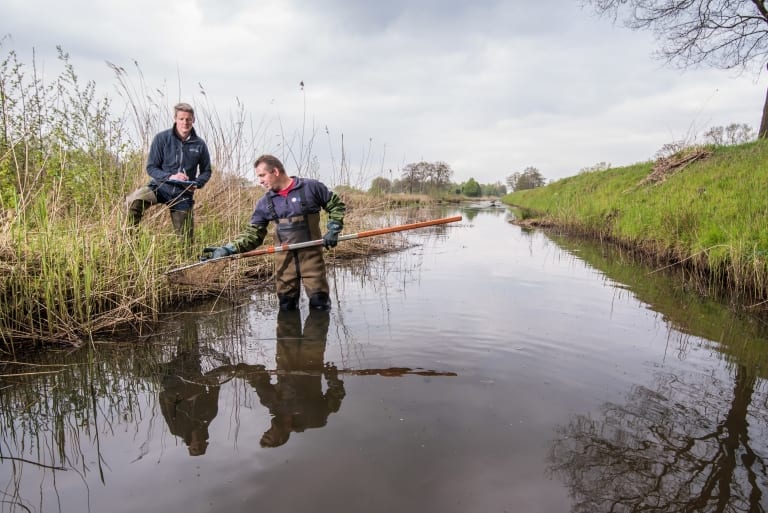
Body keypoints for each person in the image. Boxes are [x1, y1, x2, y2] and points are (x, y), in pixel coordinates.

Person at [201, 154, 346, 311]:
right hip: (284, 264)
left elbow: (336, 206)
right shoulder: (264, 203)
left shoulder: (311, 187)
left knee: (320, 307)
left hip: (312, 261)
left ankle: (317, 333)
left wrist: (334, 229)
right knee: (286, 308)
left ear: (275, 171)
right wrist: (228, 249)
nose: (260, 181)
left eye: (262, 175)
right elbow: (252, 235)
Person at [247, 308, 345, 448]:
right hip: (312, 357)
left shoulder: (271, 403)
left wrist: (249, 374)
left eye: (265, 432)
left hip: (286, 353)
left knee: (287, 310)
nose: (268, 429)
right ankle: (318, 295)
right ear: (281, 438)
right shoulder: (315, 419)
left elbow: (259, 378)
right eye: (269, 434)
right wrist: (332, 379)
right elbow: (336, 397)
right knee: (319, 315)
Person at [125, 102, 212, 244]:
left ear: (193, 120)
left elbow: (206, 171)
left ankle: (185, 259)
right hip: (159, 187)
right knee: (133, 201)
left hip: (183, 194)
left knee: (186, 243)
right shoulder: (161, 139)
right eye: (182, 119)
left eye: (188, 119)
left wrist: (196, 183)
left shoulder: (200, 144)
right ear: (175, 119)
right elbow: (151, 167)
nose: (185, 122)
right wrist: (170, 176)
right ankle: (132, 242)